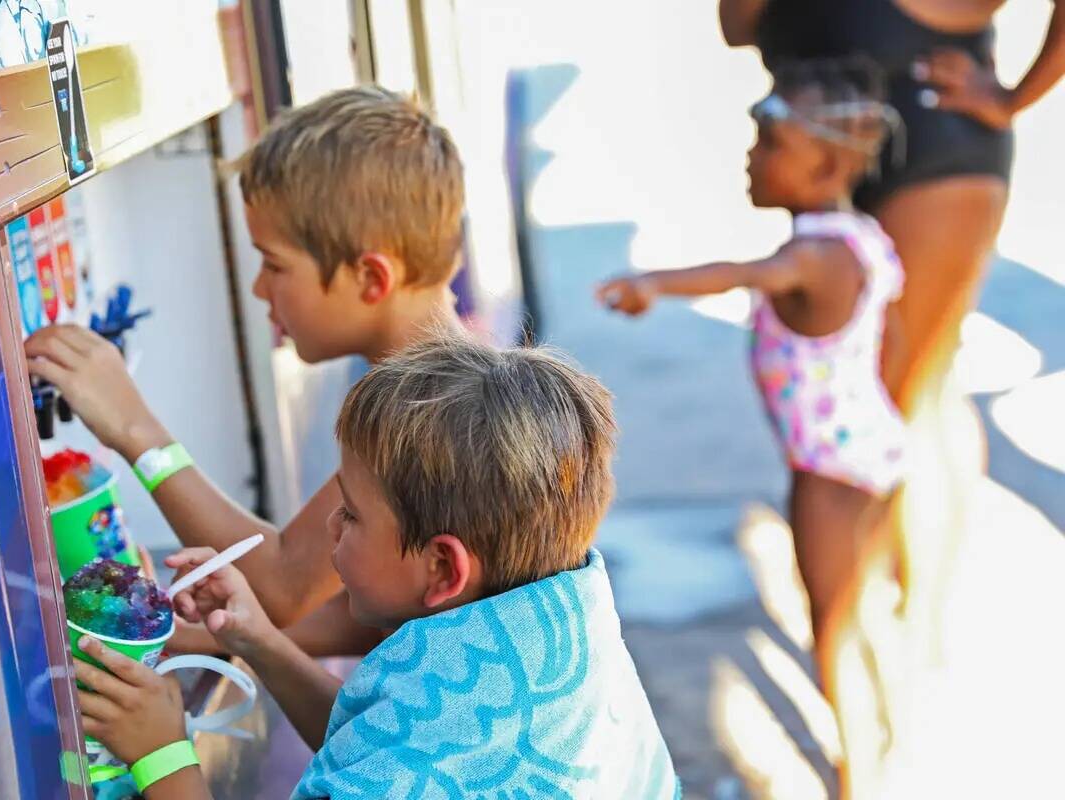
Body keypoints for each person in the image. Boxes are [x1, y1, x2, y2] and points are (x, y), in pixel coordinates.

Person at [71, 337, 680, 800]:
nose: (330, 526)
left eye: (353, 516)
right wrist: (255, 637)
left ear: (443, 569)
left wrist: (161, 755)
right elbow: (368, 738)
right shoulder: (543, 623)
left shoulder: (427, 773)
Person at [25, 86, 466, 654]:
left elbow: (283, 584)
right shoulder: (444, 387)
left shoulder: (428, 416)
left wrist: (136, 430)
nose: (260, 288)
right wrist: (201, 638)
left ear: (371, 278)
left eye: (274, 264)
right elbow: (370, 623)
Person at [717, 0, 1065, 665]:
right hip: (826, 153)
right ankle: (899, 637)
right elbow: (739, 24)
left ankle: (910, 645)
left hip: (934, 142)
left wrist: (1018, 95)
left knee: (901, 405)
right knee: (911, 395)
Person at [598, 59, 905, 694]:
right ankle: (887, 733)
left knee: (834, 627)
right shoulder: (860, 237)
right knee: (856, 610)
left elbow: (738, 271)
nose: (750, 155)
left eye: (770, 143)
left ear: (823, 167)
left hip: (829, 471)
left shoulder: (809, 257)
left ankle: (860, 780)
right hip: (867, 449)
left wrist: (653, 284)